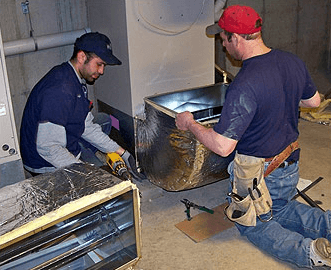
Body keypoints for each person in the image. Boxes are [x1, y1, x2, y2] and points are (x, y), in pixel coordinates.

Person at [175, 5, 331, 269]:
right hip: (289, 164)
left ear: (235, 38)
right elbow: (313, 100)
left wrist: (190, 124)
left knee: (251, 225)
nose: (223, 45)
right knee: (282, 209)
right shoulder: (291, 61)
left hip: (260, 174)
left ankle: (309, 253)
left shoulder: (245, 83)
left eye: (223, 39)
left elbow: (223, 146)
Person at [20, 32, 141, 180]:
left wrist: (123, 153)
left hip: (58, 143)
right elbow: (48, 148)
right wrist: (85, 174)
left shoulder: (73, 78)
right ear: (82, 57)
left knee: (103, 119)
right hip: (45, 164)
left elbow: (86, 126)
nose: (102, 71)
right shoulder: (60, 90)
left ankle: (86, 156)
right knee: (98, 186)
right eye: (99, 64)